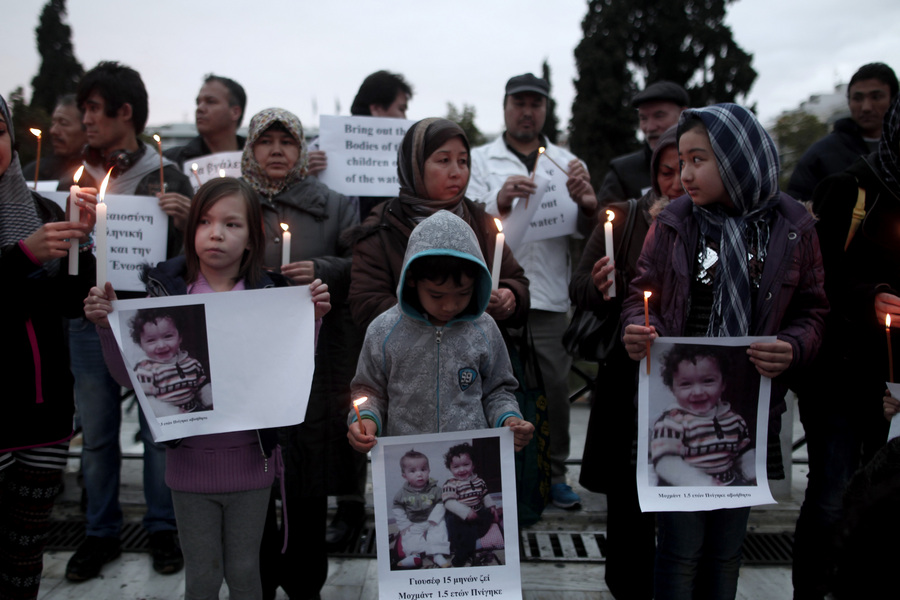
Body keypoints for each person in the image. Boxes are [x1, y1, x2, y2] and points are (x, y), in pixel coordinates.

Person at [83, 177, 331, 600]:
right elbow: (131, 380)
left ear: (253, 237)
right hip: (188, 468)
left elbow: (287, 374)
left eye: (232, 225)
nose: (216, 233)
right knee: (200, 578)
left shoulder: (270, 294)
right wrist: (108, 328)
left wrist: (311, 320)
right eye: (204, 222)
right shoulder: (163, 298)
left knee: (245, 575)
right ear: (190, 230)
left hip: (252, 466)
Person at [621, 103, 827, 599]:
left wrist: (793, 347)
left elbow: (814, 310)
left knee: (727, 548)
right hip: (677, 414)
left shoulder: (793, 228)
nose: (685, 175)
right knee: (680, 546)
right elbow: (641, 294)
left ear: (738, 159)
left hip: (745, 417)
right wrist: (638, 329)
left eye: (699, 160)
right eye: (682, 161)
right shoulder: (673, 224)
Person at [65, 60, 195, 582]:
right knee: (96, 435)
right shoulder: (76, 175)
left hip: (151, 322)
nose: (87, 120)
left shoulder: (167, 174)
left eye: (95, 109)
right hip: (90, 319)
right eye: (83, 110)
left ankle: (163, 528)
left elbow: (195, 255)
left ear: (126, 113)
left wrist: (186, 217)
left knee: (158, 430)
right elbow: (63, 256)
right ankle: (99, 532)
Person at [239, 107, 357, 600]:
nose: (277, 151)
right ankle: (259, 578)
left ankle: (306, 581)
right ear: (251, 150)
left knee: (307, 476)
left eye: (287, 142)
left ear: (302, 150)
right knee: (254, 477)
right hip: (250, 360)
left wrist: (324, 268)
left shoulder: (333, 202)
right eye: (266, 142)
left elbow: (360, 263)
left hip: (314, 362)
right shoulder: (235, 201)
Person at [468, 72, 598, 510]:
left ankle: (555, 473)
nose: (527, 111)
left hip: (546, 296)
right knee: (484, 386)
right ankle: (484, 475)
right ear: (505, 107)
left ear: (545, 109)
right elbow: (466, 216)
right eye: (519, 102)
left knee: (555, 390)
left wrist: (588, 203)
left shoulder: (565, 160)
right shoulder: (481, 159)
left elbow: (587, 230)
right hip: (491, 293)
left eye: (536, 104)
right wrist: (500, 201)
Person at [792, 93, 900, 600]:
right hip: (838, 372)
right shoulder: (850, 188)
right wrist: (872, 296)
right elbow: (819, 280)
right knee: (833, 491)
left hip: (893, 379)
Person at [570, 124, 682, 599]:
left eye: (691, 167)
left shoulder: (726, 224)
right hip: (630, 382)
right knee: (630, 505)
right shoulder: (626, 217)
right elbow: (580, 290)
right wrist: (597, 285)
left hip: (690, 385)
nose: (677, 180)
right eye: (667, 171)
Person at [0, 93, 96, 600]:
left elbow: (69, 302)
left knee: (24, 558)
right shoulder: (29, 233)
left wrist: (85, 246)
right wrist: (20, 257)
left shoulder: (37, 208)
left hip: (44, 415)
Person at [347, 209, 533, 449]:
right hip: (408, 461)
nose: (449, 305)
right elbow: (368, 389)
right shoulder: (384, 330)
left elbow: (499, 389)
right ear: (412, 280)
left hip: (471, 460)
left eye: (463, 294)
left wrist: (509, 419)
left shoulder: (484, 329)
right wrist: (365, 420)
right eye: (436, 295)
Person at [347, 117, 530, 332]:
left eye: (463, 161)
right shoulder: (382, 227)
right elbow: (365, 304)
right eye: (444, 160)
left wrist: (510, 296)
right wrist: (432, 313)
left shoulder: (481, 222)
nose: (457, 172)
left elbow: (517, 280)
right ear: (414, 165)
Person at [308, 69, 413, 222]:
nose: (405, 118)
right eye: (401, 109)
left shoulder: (409, 150)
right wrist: (304, 176)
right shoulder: (321, 148)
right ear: (376, 108)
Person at [788, 62, 898, 201]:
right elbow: (796, 214)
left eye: (876, 97)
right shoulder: (819, 156)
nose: (866, 107)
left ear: (893, 99)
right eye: (857, 98)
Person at [653, 345, 754, 487]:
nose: (698, 391)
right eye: (686, 384)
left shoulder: (733, 420)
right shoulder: (672, 422)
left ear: (723, 383)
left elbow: (744, 454)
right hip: (686, 491)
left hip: (727, 487)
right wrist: (704, 484)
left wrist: (753, 475)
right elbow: (666, 463)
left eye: (708, 381)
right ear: (672, 389)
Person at [598, 81, 689, 206]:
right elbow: (604, 218)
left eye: (659, 116)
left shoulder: (711, 163)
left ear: (683, 114)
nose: (650, 127)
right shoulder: (622, 172)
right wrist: (588, 208)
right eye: (643, 118)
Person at [129, 308, 212, 417]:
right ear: (141, 345)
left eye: (168, 336)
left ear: (180, 337)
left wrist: (211, 404)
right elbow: (148, 401)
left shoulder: (191, 363)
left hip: (195, 411)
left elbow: (202, 387)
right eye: (151, 340)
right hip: (166, 418)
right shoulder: (145, 370)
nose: (161, 345)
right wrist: (173, 413)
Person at [164, 74, 247, 169]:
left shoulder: (257, 161)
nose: (200, 108)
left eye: (210, 101)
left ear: (235, 112)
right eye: (198, 102)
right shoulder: (170, 163)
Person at [441, 443, 500, 568]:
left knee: (487, 515)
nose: (461, 470)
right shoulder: (451, 484)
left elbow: (485, 495)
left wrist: (492, 507)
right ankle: (460, 557)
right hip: (459, 516)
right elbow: (449, 502)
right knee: (457, 526)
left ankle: (474, 533)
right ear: (450, 468)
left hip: (477, 511)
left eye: (466, 465)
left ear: (473, 465)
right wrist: (465, 512)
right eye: (456, 467)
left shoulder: (479, 481)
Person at [391, 450, 450, 569]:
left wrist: (435, 518)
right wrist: (404, 524)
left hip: (431, 520)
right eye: (412, 471)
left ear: (428, 471)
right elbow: (397, 507)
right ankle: (415, 555)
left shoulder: (435, 489)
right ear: (405, 476)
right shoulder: (402, 493)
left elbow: (441, 502)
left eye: (423, 469)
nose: (419, 474)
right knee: (409, 536)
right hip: (413, 522)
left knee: (440, 529)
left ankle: (437, 553)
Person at [22, 94, 87, 183]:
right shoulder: (33, 171)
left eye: (63, 123)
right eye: (53, 123)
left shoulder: (97, 174)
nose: (53, 131)